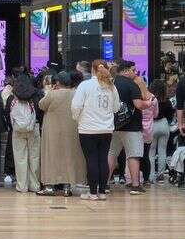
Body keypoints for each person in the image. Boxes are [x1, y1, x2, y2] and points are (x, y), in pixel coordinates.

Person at [71, 60, 121, 200]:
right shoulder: (112, 86)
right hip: (106, 130)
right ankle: (103, 192)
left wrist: (77, 118)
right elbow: (116, 108)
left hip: (87, 129)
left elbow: (76, 106)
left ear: (92, 70)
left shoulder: (85, 85)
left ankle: (93, 193)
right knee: (103, 160)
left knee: (91, 160)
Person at [37, 72, 86, 197]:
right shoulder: (75, 93)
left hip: (52, 131)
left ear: (57, 82)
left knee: (51, 157)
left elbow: (41, 105)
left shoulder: (53, 94)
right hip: (71, 130)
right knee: (68, 157)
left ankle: (49, 186)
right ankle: (67, 187)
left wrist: (49, 91)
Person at [108, 61, 154, 195]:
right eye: (133, 70)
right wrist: (149, 103)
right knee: (133, 154)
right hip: (131, 126)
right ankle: (135, 185)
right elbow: (138, 104)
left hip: (113, 125)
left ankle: (104, 184)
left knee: (111, 153)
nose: (135, 73)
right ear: (126, 70)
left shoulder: (112, 83)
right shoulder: (131, 84)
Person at [4, 73, 43, 193]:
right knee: (34, 157)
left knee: (20, 158)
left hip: (17, 130)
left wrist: (13, 126)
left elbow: (6, 113)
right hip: (33, 128)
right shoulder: (36, 95)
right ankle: (35, 185)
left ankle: (22, 186)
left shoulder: (12, 97)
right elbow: (40, 112)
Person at [149, 79, 174, 183]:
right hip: (164, 124)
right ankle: (161, 175)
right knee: (162, 151)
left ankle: (150, 175)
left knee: (151, 152)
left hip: (152, 125)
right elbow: (170, 116)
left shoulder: (149, 99)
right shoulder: (167, 100)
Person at [135, 76, 157, 185]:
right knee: (146, 155)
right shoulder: (153, 98)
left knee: (135, 155)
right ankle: (147, 179)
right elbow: (156, 114)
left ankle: (135, 179)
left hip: (137, 129)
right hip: (149, 129)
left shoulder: (136, 98)